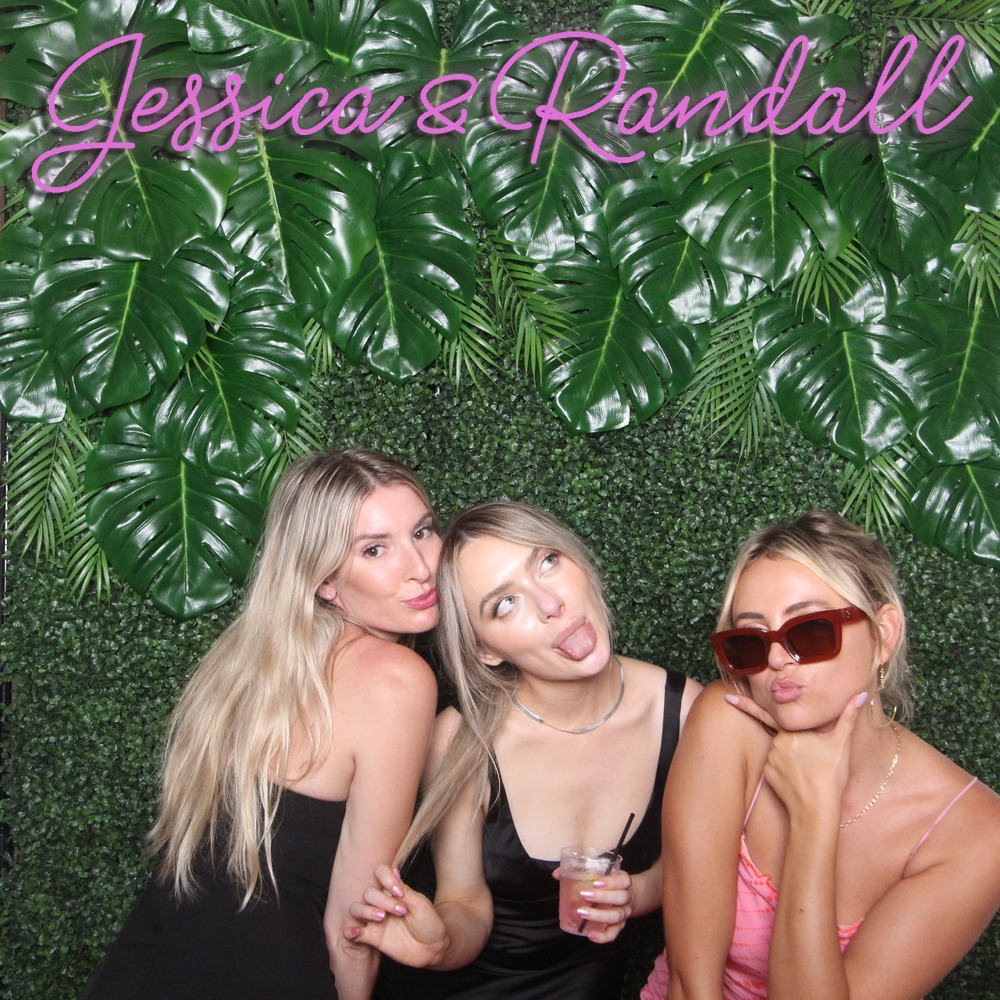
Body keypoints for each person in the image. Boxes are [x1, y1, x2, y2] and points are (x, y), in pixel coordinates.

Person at [80, 449, 441, 1000]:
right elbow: (355, 923)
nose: (420, 566)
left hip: (148, 964)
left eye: (422, 532)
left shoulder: (244, 664)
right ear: (325, 580)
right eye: (375, 549)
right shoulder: (397, 678)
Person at [346, 501, 702, 999]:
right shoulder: (462, 741)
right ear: (485, 650)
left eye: (548, 562)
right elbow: (465, 903)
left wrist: (637, 893)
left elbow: (704, 861)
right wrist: (439, 944)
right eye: (506, 603)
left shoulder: (684, 711)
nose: (550, 603)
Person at [642, 509, 1000, 1000]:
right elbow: (690, 986)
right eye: (749, 642)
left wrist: (814, 818)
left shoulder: (976, 834)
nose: (774, 660)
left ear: (883, 634)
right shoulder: (727, 722)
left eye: (810, 631)